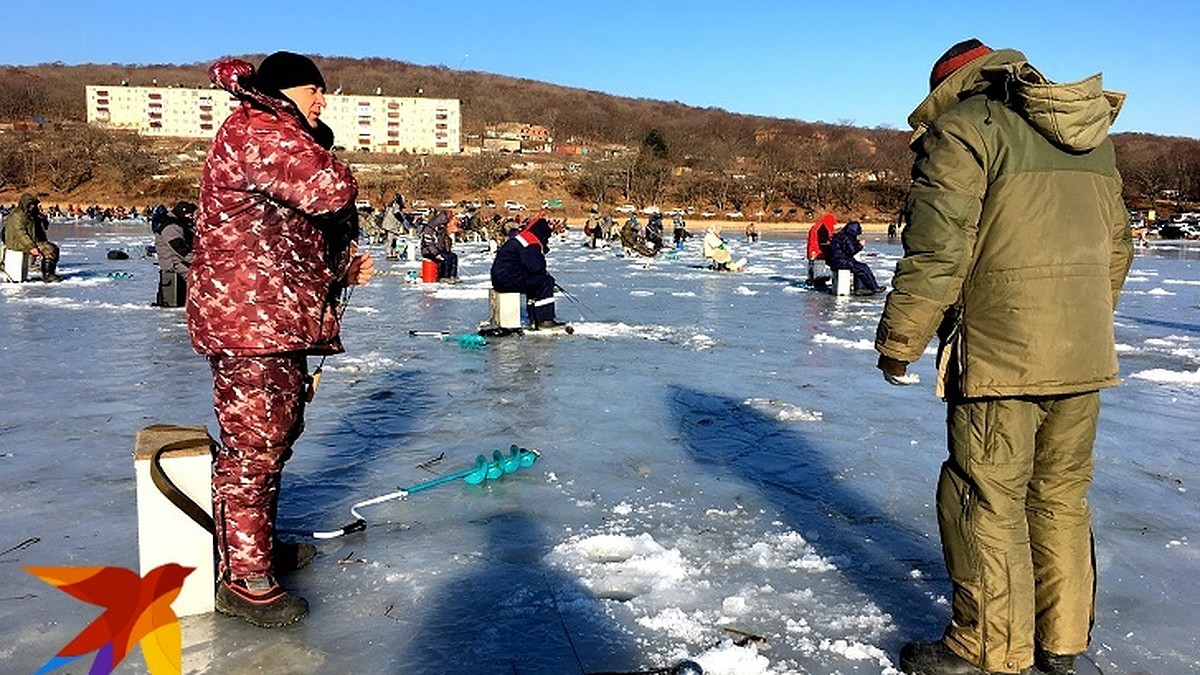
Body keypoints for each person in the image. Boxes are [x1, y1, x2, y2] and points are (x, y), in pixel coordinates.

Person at [874, 39, 1131, 675]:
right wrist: (1080, 323)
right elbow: (1118, 248)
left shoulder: (964, 131)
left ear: (948, 87)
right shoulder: (1091, 137)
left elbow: (939, 252)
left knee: (983, 497)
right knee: (1061, 497)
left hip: (1002, 353)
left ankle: (985, 648)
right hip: (1081, 350)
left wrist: (900, 340)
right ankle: (1062, 641)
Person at [187, 51, 374, 628]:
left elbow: (281, 241)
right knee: (254, 448)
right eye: (315, 91)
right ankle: (243, 576)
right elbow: (331, 189)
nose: (323, 102)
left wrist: (339, 271)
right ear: (288, 90)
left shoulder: (270, 132)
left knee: (273, 439)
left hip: (267, 315)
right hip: (251, 322)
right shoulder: (259, 130)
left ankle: (253, 549)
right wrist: (319, 138)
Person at [490, 215, 566, 329]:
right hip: (507, 279)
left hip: (501, 278)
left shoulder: (523, 238)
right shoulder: (530, 242)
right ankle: (544, 319)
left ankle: (534, 317)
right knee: (545, 282)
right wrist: (546, 274)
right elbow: (535, 267)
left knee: (533, 283)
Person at [2, 193, 62, 282]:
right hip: (17, 242)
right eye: (31, 204)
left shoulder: (31, 214)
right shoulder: (17, 215)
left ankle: (48, 272)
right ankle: (47, 275)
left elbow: (44, 228)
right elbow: (20, 233)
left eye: (34, 204)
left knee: (53, 248)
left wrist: (42, 219)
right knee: (50, 249)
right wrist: (31, 247)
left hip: (30, 240)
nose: (33, 206)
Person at [153, 200, 197, 307]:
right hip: (174, 263)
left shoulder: (181, 224)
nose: (191, 217)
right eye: (189, 215)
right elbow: (178, 248)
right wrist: (196, 260)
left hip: (179, 260)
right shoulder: (171, 227)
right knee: (197, 277)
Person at [826, 221, 881, 295]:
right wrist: (860, 245)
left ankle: (860, 288)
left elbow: (844, 249)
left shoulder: (840, 236)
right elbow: (851, 251)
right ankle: (872, 287)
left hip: (837, 261)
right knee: (863, 268)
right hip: (842, 262)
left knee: (859, 267)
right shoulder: (848, 237)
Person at [420, 209, 460, 283]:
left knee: (453, 256)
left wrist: (447, 247)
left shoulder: (442, 227)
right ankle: (443, 276)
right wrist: (436, 253)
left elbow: (444, 240)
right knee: (445, 258)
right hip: (428, 251)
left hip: (440, 250)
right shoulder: (430, 227)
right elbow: (428, 242)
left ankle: (452, 275)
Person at [805, 212, 838, 288]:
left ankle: (811, 282)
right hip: (818, 253)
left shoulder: (816, 226)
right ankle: (818, 285)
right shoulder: (823, 228)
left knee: (812, 268)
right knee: (818, 269)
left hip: (812, 252)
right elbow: (823, 242)